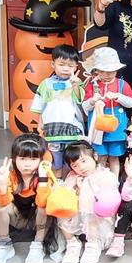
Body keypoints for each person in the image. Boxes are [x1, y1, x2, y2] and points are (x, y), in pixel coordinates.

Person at [0, 133, 55, 263]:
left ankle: (37, 245)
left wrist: (42, 179)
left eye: (33, 159)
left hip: (40, 221)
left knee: (43, 207)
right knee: (0, 208)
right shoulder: (11, 176)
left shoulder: (44, 176)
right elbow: (3, 202)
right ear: (14, 159)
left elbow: (43, 203)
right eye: (22, 158)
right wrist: (2, 182)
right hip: (17, 218)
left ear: (41, 160)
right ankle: (5, 245)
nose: (27, 164)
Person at [57, 141, 120, 263]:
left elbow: (106, 199)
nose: (81, 167)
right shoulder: (73, 177)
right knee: (61, 210)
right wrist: (76, 189)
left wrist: (84, 189)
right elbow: (66, 194)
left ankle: (93, 244)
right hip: (76, 213)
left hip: (97, 216)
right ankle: (72, 243)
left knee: (89, 205)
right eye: (75, 165)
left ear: (95, 156)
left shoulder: (104, 175)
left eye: (84, 161)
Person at [31, 45, 86, 175]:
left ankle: (70, 182)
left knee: (72, 160)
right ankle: (58, 182)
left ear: (76, 67)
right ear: (53, 64)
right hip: (52, 130)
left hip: (72, 129)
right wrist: (40, 123)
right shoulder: (45, 84)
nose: (65, 68)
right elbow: (40, 106)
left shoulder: (77, 82)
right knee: (55, 160)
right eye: (61, 64)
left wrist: (75, 85)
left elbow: (80, 100)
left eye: (70, 65)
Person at [82, 47, 132, 175]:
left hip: (117, 129)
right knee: (100, 157)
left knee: (114, 157)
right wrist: (92, 101)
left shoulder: (122, 84)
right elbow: (85, 107)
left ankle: (114, 182)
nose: (108, 75)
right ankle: (100, 180)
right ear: (96, 70)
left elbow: (131, 103)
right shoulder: (91, 85)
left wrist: (118, 96)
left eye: (111, 71)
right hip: (98, 128)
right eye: (103, 71)